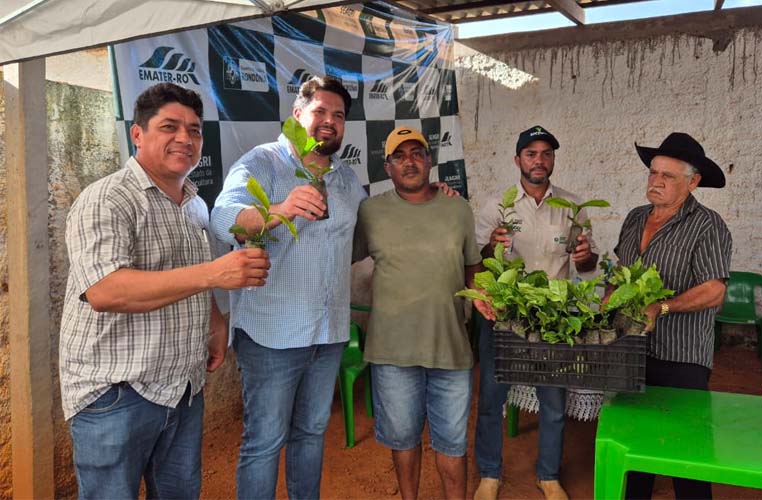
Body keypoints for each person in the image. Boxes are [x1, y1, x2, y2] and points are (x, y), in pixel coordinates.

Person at [59, 82, 271, 500]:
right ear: (137, 134)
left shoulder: (194, 203)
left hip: (181, 386)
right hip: (117, 390)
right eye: (169, 127)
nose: (185, 138)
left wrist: (214, 322)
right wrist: (214, 274)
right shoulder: (108, 198)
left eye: (194, 130)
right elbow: (105, 291)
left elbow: (193, 276)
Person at [210, 76, 365, 500]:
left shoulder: (346, 178)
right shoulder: (263, 162)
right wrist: (278, 210)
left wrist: (434, 195)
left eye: (338, 115)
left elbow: (366, 234)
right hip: (271, 336)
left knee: (312, 434)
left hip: (329, 332)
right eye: (320, 111)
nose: (329, 121)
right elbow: (223, 218)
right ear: (297, 114)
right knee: (264, 442)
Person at [353, 126, 483, 500]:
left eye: (416, 153)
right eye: (399, 156)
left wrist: (482, 297)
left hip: (450, 349)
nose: (408, 162)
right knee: (403, 440)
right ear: (387, 167)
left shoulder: (458, 208)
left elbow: (473, 270)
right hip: (392, 353)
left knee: (452, 444)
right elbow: (340, 254)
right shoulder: (370, 211)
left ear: (429, 161)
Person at [473, 125, 598, 500]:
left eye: (546, 153)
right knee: (492, 399)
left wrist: (585, 256)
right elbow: (478, 261)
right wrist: (492, 246)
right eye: (531, 154)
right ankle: (489, 474)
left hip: (552, 318)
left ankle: (548, 475)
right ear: (517, 160)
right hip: (504, 315)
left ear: (553, 160)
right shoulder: (498, 207)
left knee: (553, 402)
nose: (539, 161)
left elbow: (587, 266)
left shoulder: (572, 207)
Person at [608, 132, 732, 500]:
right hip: (632, 349)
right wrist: (610, 296)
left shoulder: (708, 225)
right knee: (634, 447)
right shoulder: (635, 218)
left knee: (686, 451)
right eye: (653, 172)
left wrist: (661, 307)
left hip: (682, 356)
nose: (656, 181)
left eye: (668, 176)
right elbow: (621, 271)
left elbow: (715, 290)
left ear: (693, 182)